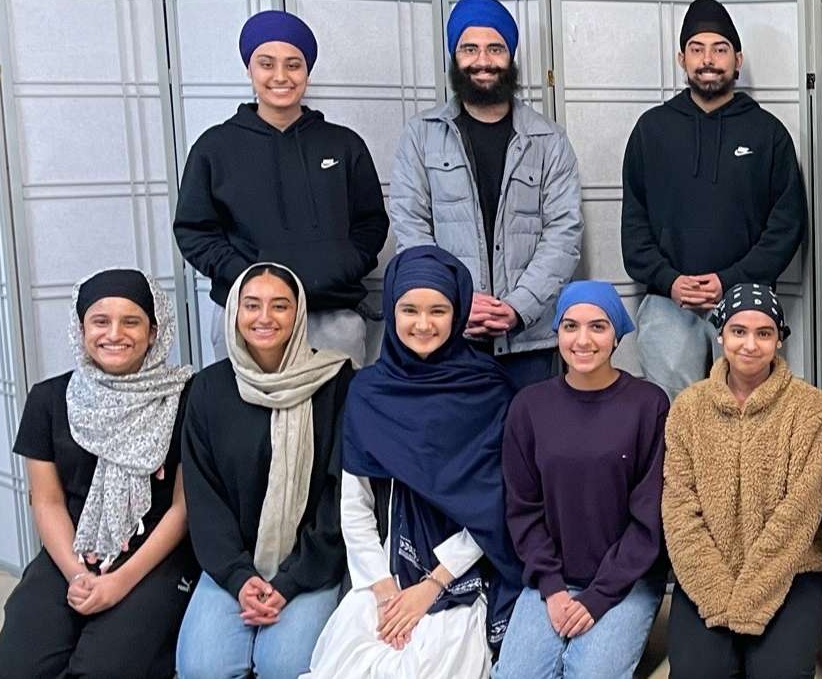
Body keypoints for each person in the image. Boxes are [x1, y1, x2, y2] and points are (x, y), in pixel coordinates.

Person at [302, 246, 522, 679]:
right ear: (391, 310)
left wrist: (433, 585)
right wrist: (382, 587)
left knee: (431, 661)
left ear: (458, 313)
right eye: (410, 310)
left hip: (463, 569)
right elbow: (355, 503)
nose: (423, 324)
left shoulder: (488, 391)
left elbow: (495, 506)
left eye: (438, 310)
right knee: (354, 659)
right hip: (386, 568)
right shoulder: (368, 392)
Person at [0, 268, 198, 679]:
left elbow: (182, 509)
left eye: (131, 321)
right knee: (16, 668)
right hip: (72, 550)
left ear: (154, 332)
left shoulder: (186, 397)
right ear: (81, 328)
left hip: (155, 555)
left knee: (104, 668)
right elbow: (47, 501)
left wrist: (120, 582)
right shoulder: (49, 398)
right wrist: (77, 574)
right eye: (100, 321)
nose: (114, 334)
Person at [389, 0, 585, 392]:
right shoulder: (421, 136)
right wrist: (456, 299)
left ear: (510, 57)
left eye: (495, 48)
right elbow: (411, 228)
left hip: (529, 338)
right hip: (448, 335)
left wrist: (518, 306)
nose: (482, 60)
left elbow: (564, 234)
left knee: (529, 432)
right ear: (454, 56)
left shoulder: (549, 140)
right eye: (470, 49)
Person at [176, 9, 391, 367]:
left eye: (293, 65)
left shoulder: (343, 144)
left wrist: (341, 264)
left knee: (337, 404)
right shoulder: (214, 147)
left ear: (307, 72)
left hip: (331, 315)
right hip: (249, 317)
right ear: (249, 69)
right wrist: (247, 278)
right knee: (242, 406)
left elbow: (371, 223)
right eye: (266, 64)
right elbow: (194, 230)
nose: (280, 76)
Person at [622, 0, 808, 399]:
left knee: (752, 410)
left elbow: (786, 226)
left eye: (720, 49)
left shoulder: (768, 133)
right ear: (681, 59)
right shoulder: (651, 131)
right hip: (669, 303)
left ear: (737, 60)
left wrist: (730, 280)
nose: (708, 60)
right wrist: (671, 281)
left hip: (746, 302)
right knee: (674, 416)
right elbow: (634, 227)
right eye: (697, 49)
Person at [176, 262, 355, 679]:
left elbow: (341, 495)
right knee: (201, 669)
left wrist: (291, 581)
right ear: (234, 312)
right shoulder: (208, 389)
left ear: (299, 313)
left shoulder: (336, 382)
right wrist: (239, 577)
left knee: (286, 667)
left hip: (310, 565)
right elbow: (204, 499)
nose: (265, 317)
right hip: (232, 565)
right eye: (252, 305)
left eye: (280, 305)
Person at [496, 281, 669, 679]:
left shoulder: (648, 404)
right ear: (557, 332)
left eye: (598, 327)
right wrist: (552, 587)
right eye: (570, 326)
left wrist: (598, 597)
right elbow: (523, 510)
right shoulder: (529, 406)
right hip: (553, 577)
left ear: (617, 335)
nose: (583, 340)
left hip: (627, 580)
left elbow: (649, 518)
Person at [661, 283, 822, 679]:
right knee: (696, 673)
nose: (750, 345)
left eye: (764, 333)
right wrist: (717, 594)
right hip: (707, 573)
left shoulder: (809, 407)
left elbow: (801, 512)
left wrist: (751, 596)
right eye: (738, 331)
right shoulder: (688, 408)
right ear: (721, 334)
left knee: (780, 674)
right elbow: (679, 510)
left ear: (779, 340)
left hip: (790, 572)